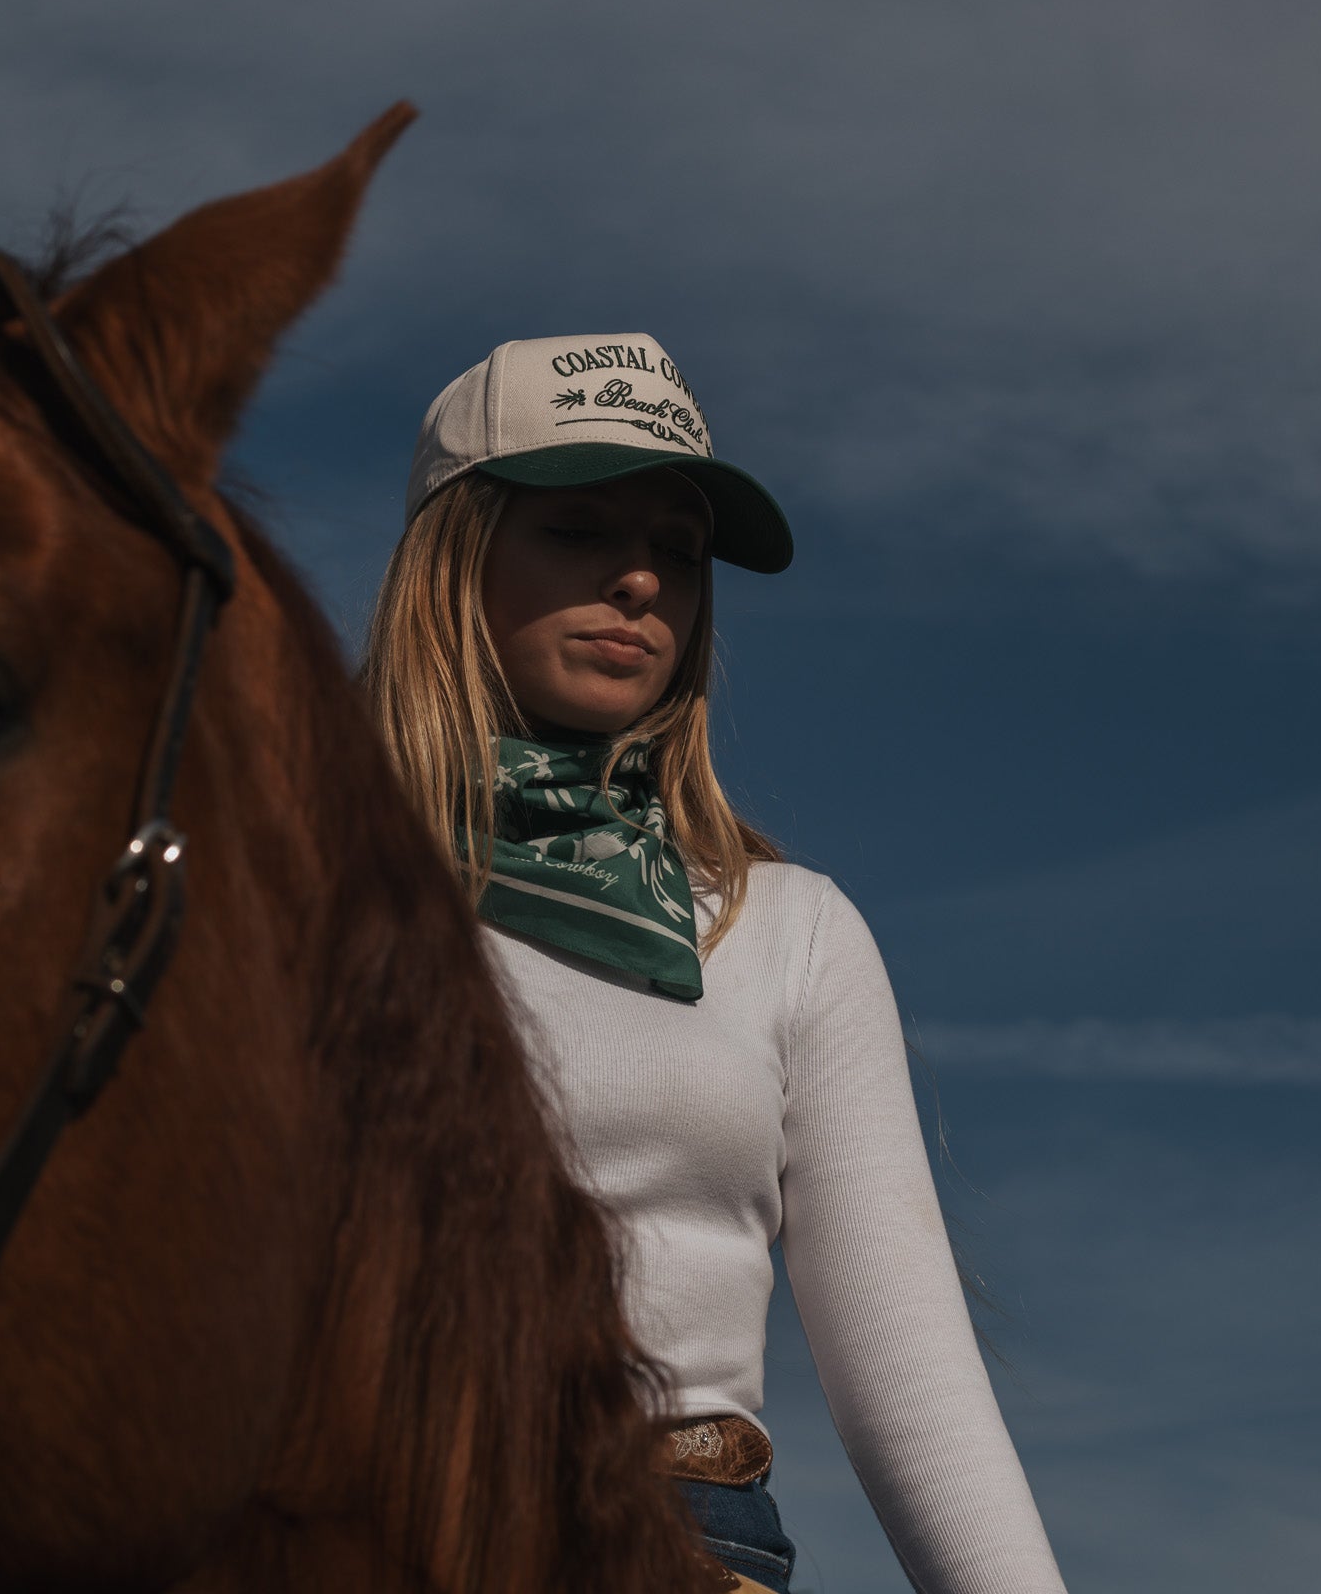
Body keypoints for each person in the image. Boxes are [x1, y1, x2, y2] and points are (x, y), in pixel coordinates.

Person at [364, 333, 1068, 1594]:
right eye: (579, 529)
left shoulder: (783, 928)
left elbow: (909, 1374)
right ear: (454, 556)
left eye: (677, 552)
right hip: (343, 1521)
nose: (639, 578)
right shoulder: (307, 886)